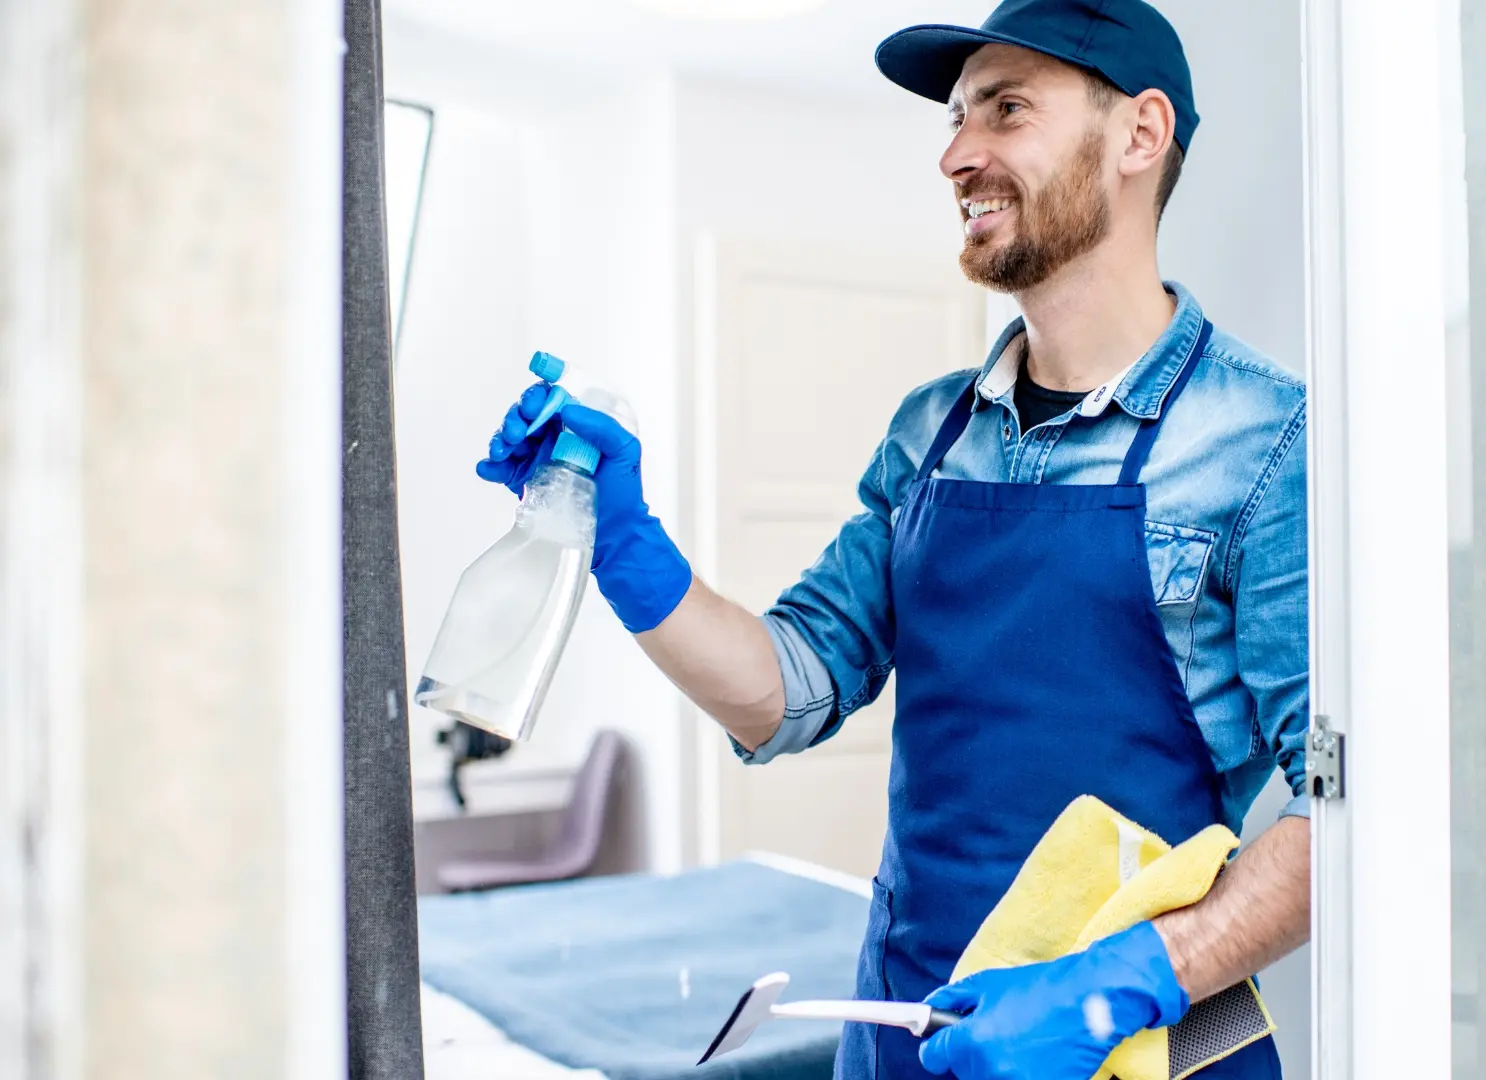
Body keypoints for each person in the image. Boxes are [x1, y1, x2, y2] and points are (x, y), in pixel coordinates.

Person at [478, 1, 1310, 1076]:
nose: (958, 156)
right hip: (914, 1030)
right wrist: (624, 544)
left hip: (1138, 1048)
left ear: (1140, 137)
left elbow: (1362, 808)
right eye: (959, 120)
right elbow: (787, 693)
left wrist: (1129, 982)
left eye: (1007, 110)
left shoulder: (1259, 441)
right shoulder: (933, 432)